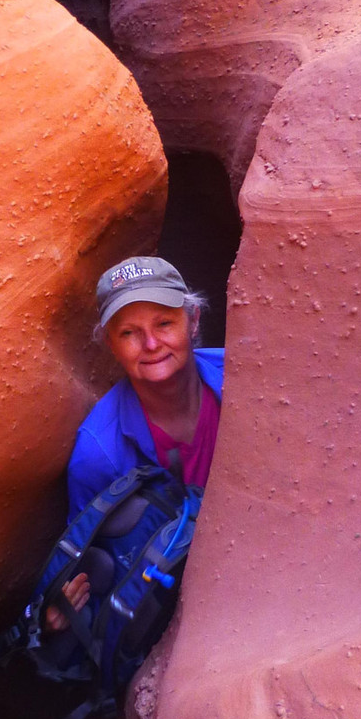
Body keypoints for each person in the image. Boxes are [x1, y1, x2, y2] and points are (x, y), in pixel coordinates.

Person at [45, 255, 224, 631]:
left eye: (164, 323)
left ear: (192, 322)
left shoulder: (241, 376)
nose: (151, 343)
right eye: (129, 333)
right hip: (173, 608)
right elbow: (88, 562)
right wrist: (62, 616)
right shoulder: (98, 454)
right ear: (110, 343)